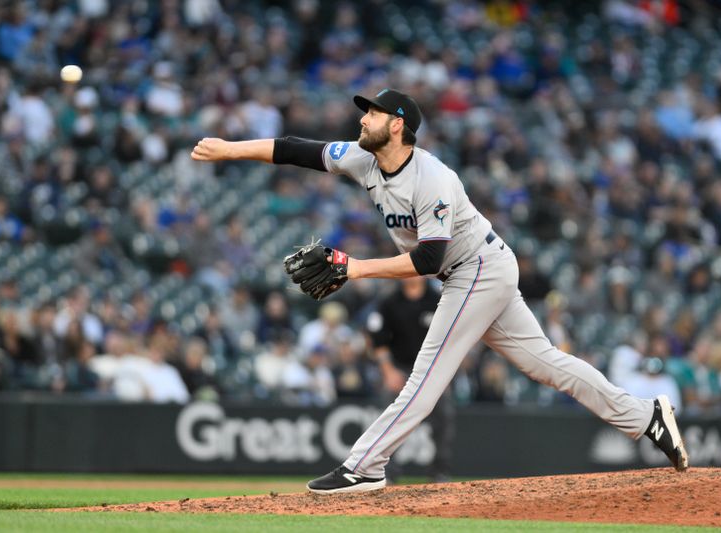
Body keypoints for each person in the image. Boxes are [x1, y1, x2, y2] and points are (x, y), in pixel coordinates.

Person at [191, 88, 689, 494]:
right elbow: (296, 149)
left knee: (425, 379)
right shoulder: (364, 160)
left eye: (374, 113)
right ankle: (647, 417)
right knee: (546, 364)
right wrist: (230, 149)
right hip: (473, 271)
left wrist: (355, 268)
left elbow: (428, 259)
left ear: (399, 126)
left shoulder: (431, 179)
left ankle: (364, 465)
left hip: (478, 269)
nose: (363, 118)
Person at [367, 277, 454, 483]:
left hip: (433, 371)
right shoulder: (389, 301)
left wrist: (445, 373)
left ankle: (439, 472)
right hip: (399, 370)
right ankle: (387, 473)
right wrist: (388, 372)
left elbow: (451, 339)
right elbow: (377, 339)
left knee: (443, 420)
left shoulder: (438, 300)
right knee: (389, 421)